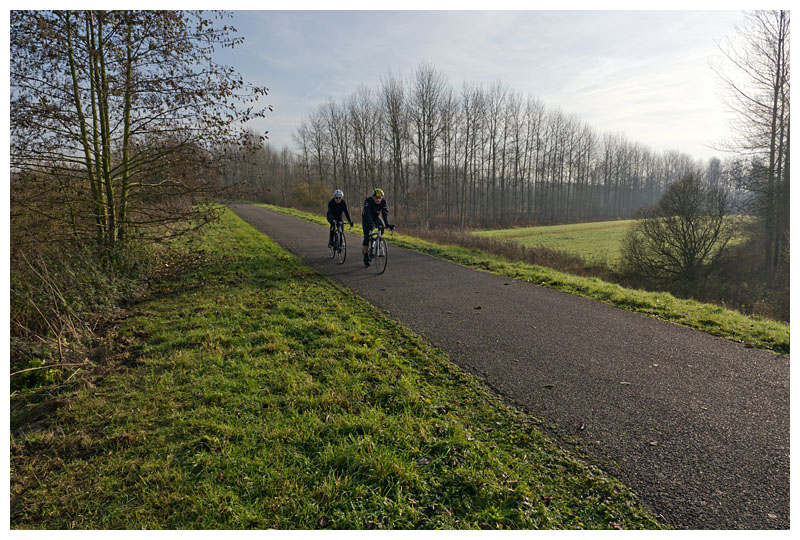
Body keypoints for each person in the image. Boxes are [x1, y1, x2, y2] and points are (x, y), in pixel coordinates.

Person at [361, 188, 394, 266]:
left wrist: (387, 224)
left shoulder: (383, 202)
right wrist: (370, 223)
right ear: (373, 197)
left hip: (375, 217)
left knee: (382, 228)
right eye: (376, 197)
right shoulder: (368, 201)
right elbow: (368, 213)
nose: (378, 199)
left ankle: (375, 241)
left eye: (379, 198)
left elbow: (385, 213)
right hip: (366, 218)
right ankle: (365, 256)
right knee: (366, 237)